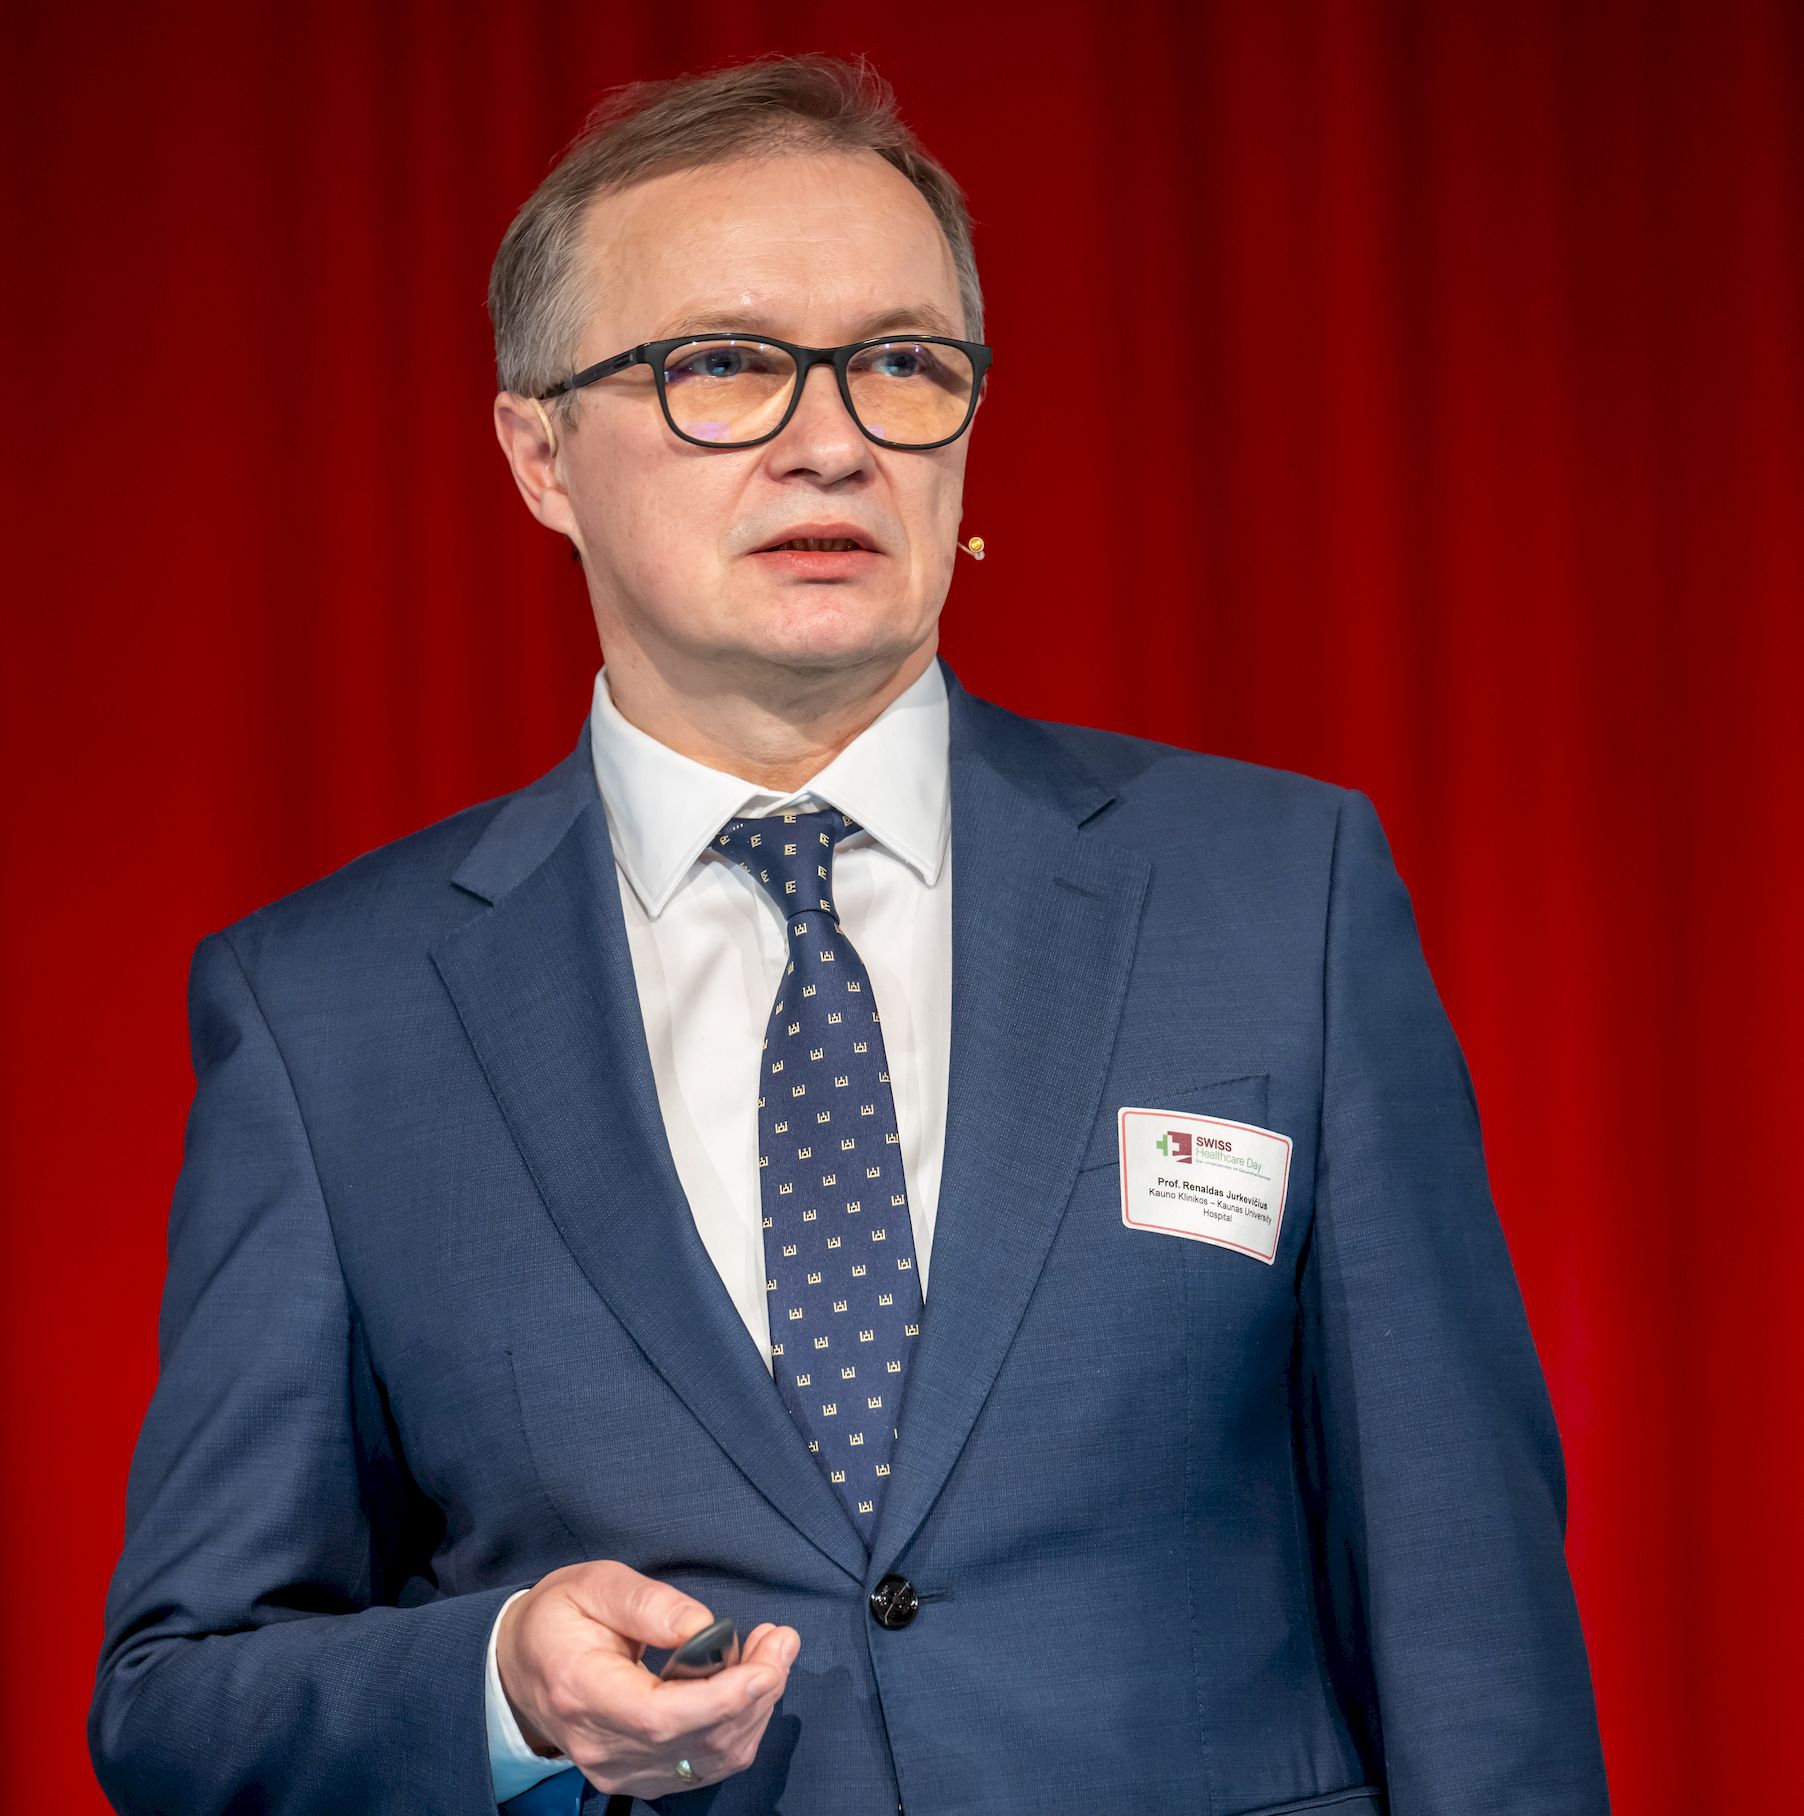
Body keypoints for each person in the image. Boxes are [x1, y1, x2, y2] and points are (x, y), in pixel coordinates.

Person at [89, 51, 1610, 1816]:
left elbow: (1467, 1605)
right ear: (540, 454)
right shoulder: (326, 1011)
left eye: (903, 363)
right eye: (724, 364)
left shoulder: (1278, 891)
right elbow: (179, 1698)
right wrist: (501, 1686)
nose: (834, 439)